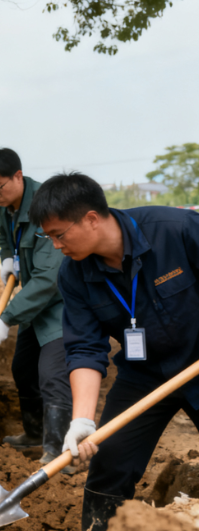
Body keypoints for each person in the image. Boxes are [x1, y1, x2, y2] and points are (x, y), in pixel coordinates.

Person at [30, 172, 199, 531]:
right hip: (145, 374)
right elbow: (85, 348)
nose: (56, 246)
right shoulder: (73, 275)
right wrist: (82, 421)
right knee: (109, 464)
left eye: (60, 234)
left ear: (91, 218)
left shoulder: (177, 229)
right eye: (49, 237)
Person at [0, 148, 73, 471]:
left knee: (52, 376)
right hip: (35, 304)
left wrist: (5, 318)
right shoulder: (6, 206)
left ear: (18, 176)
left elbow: (48, 279)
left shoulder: (48, 208)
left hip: (62, 304)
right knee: (23, 369)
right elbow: (6, 235)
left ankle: (60, 451)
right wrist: (7, 257)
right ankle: (34, 433)